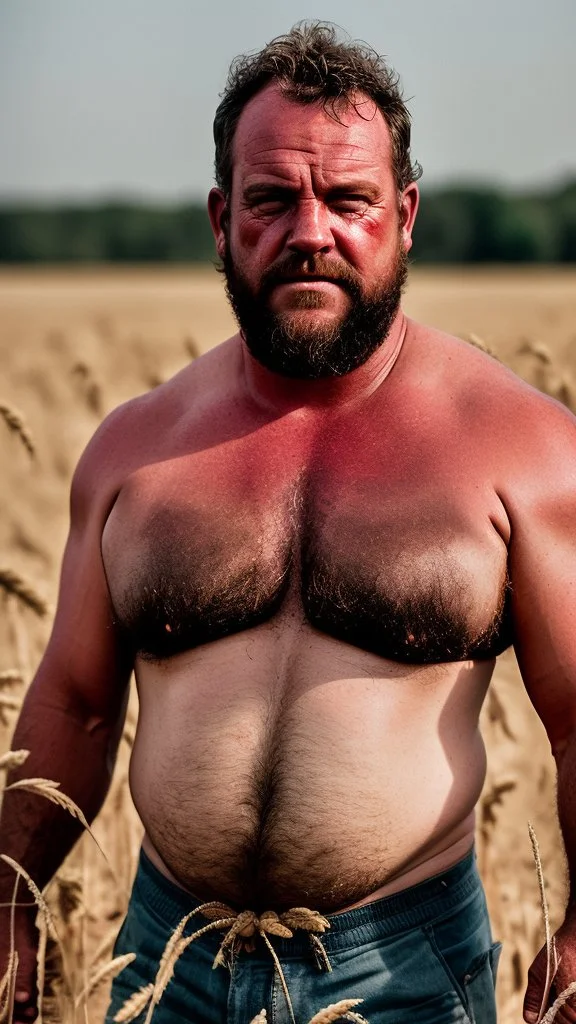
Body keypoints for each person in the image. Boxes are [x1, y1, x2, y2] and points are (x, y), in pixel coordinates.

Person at [1, 21, 575, 1024]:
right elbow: (78, 703)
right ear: (222, 219)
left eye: (348, 200)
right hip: (159, 965)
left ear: (404, 217)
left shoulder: (521, 449)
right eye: (272, 200)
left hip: (405, 976)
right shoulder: (135, 449)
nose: (310, 230)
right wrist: (5, 893)